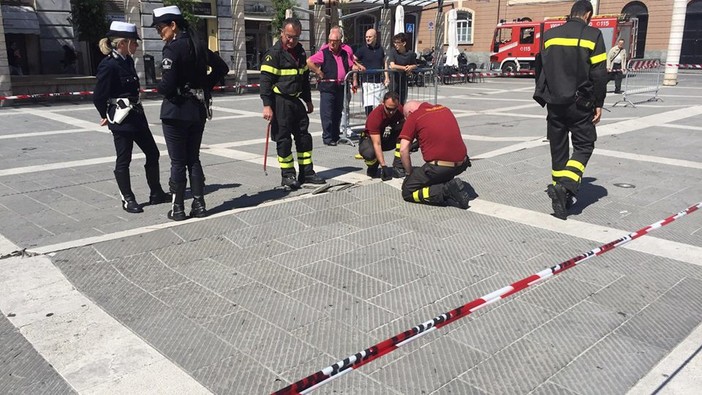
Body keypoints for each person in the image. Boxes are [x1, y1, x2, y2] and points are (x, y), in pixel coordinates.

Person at [152, 5, 229, 220]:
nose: (159, 32)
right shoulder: (199, 45)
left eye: (161, 28)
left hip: (175, 111)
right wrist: (204, 85)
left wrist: (162, 86)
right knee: (193, 158)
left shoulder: (172, 49)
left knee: (178, 161)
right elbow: (222, 68)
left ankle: (178, 209)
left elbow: (166, 87)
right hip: (196, 110)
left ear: (173, 25)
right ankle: (199, 204)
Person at [533, 0, 607, 220]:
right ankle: (565, 188)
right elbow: (599, 74)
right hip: (579, 103)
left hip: (554, 102)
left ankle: (561, 199)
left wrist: (545, 94)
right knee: (584, 145)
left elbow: (540, 67)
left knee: (558, 148)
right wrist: (598, 102)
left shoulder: (550, 35)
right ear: (587, 14)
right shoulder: (593, 35)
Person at [93, 21, 169, 214]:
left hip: (136, 116)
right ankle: (127, 198)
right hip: (121, 120)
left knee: (153, 152)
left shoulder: (127, 60)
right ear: (122, 43)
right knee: (123, 159)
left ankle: (156, 192)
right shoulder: (108, 65)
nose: (136, 46)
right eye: (134, 42)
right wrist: (105, 115)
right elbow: (99, 96)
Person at [260, 17, 325, 189]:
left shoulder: (300, 52)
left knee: (304, 137)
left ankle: (307, 172)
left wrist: (308, 100)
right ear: (282, 32)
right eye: (289, 36)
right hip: (280, 101)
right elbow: (265, 82)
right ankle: (288, 175)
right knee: (284, 139)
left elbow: (304, 79)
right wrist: (267, 105)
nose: (291, 40)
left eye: (295, 37)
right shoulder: (273, 54)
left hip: (296, 101)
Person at [398, 101, 472, 209]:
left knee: (408, 191)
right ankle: (446, 183)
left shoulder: (414, 116)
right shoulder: (444, 109)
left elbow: (403, 149)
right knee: (434, 176)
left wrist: (409, 173)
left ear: (409, 113)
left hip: (440, 167)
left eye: (405, 118)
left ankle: (446, 190)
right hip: (462, 163)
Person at [307, 26, 356, 146]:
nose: (332, 44)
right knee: (327, 113)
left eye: (335, 42)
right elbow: (309, 61)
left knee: (337, 112)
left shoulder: (344, 53)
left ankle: (335, 135)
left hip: (340, 86)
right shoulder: (324, 52)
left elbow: (351, 65)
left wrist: (358, 69)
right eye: (330, 41)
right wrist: (318, 71)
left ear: (340, 41)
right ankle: (327, 137)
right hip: (327, 87)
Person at [359, 92, 405, 180]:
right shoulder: (375, 116)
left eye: (394, 109)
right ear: (383, 103)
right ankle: (373, 166)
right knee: (369, 153)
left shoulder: (399, 110)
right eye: (388, 109)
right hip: (371, 139)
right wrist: (383, 166)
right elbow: (377, 143)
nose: (391, 112)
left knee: (405, 136)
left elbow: (405, 124)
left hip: (386, 137)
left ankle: (398, 166)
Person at [354, 28, 389, 116]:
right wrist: (359, 65)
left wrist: (387, 77)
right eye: (366, 37)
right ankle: (369, 125)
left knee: (379, 106)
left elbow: (384, 62)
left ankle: (378, 125)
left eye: (370, 37)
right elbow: (352, 59)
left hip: (378, 82)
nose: (367, 39)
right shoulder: (363, 49)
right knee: (368, 105)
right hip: (367, 82)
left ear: (375, 37)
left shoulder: (380, 49)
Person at [387, 33, 417, 105]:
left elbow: (415, 64)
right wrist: (404, 68)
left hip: (403, 80)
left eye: (397, 42)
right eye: (394, 42)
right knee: (393, 100)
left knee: (402, 100)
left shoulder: (410, 54)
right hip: (394, 80)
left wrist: (411, 67)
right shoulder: (393, 51)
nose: (395, 44)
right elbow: (392, 65)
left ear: (404, 43)